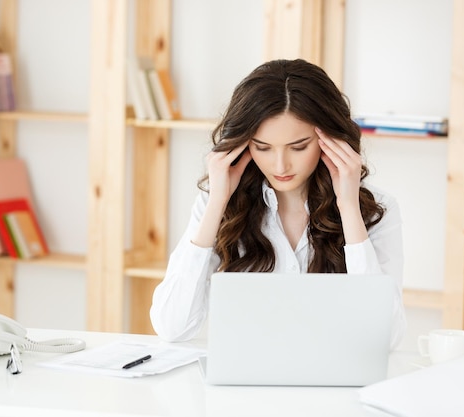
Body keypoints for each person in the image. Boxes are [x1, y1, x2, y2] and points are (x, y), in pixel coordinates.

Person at [149, 58, 406, 349]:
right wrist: (217, 202)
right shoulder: (219, 203)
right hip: (246, 387)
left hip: (335, 389)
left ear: (331, 139)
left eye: (298, 147)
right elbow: (172, 326)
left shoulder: (376, 210)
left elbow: (385, 339)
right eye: (263, 148)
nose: (280, 164)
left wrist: (348, 207)